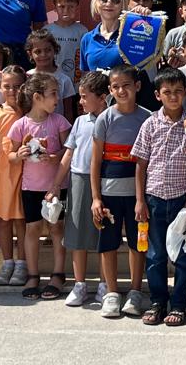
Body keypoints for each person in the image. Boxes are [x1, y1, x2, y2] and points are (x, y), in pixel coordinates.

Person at [131, 67, 186, 327]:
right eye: (167, 92)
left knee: (183, 254)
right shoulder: (149, 124)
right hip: (154, 198)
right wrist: (139, 200)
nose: (173, 96)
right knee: (155, 254)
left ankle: (180, 303)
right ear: (157, 95)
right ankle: (158, 301)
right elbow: (140, 165)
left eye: (178, 92)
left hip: (182, 199)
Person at [90, 65, 150, 320]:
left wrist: (142, 198)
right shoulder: (104, 118)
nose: (121, 90)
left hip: (139, 197)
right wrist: (95, 198)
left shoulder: (148, 117)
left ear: (137, 87)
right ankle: (112, 293)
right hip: (109, 193)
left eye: (126, 85)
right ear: (110, 90)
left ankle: (136, 291)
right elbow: (95, 161)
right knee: (108, 243)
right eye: (115, 87)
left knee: (139, 243)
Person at [8, 71, 72, 300]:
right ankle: (33, 274)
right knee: (32, 229)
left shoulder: (59, 121)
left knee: (56, 228)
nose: (57, 98)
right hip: (31, 187)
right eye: (53, 94)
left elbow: (68, 150)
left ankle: (58, 273)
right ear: (37, 97)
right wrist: (20, 153)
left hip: (56, 186)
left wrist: (55, 157)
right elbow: (10, 156)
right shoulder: (21, 125)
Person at [57, 70, 111, 306]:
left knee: (103, 234)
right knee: (77, 233)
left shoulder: (112, 118)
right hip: (79, 180)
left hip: (106, 181)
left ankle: (104, 284)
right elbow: (68, 153)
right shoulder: (79, 121)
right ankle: (79, 285)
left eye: (84, 96)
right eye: (79, 96)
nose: (80, 102)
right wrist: (55, 184)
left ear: (102, 97)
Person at [0, 66, 28, 286]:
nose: (12, 91)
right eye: (7, 86)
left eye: (17, 86)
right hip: (1, 169)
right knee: (3, 219)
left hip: (24, 169)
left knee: (20, 218)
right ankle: (7, 262)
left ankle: (22, 263)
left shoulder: (29, 111)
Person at [79, 0, 127, 74]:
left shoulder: (131, 35)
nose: (109, 3)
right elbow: (85, 77)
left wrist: (145, 18)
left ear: (123, 4)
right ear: (96, 3)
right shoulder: (87, 39)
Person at [47, 0, 90, 81]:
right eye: (62, 6)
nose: (66, 10)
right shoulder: (47, 31)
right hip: (52, 82)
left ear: (77, 8)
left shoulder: (82, 31)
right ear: (55, 7)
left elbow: (85, 58)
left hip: (74, 82)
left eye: (71, 7)